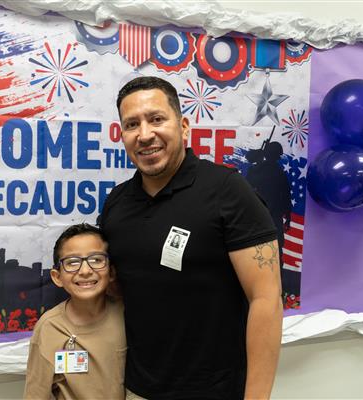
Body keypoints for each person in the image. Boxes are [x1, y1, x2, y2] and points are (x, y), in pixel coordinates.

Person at [98, 76, 283, 400]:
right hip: (137, 390)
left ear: (183, 126)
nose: (145, 135)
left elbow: (266, 300)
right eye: (132, 124)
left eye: (156, 119)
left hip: (217, 391)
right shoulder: (117, 203)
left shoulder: (228, 191)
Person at [23, 223, 126, 400]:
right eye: (72, 262)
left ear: (111, 272)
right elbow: (35, 394)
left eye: (96, 260)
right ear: (57, 277)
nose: (85, 271)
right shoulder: (50, 327)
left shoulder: (127, 316)